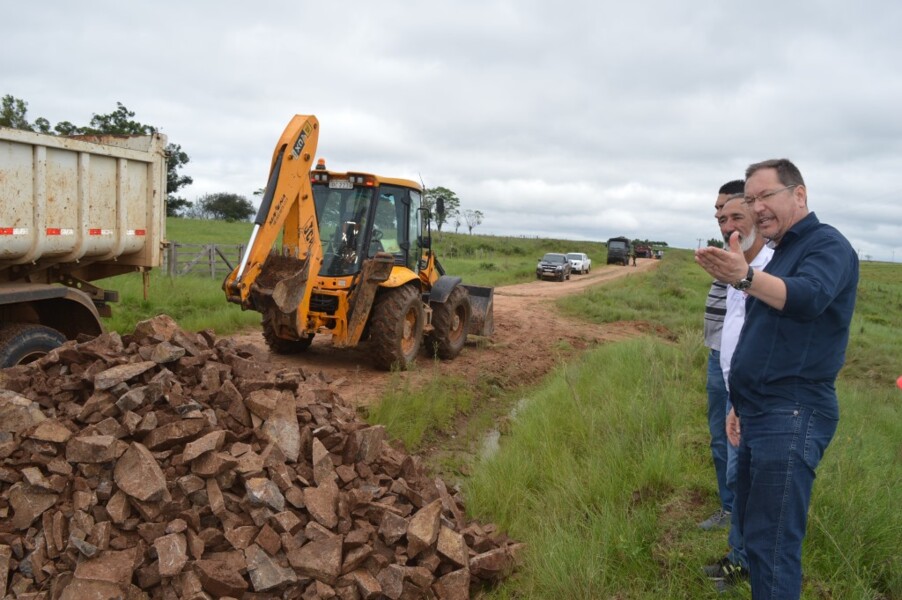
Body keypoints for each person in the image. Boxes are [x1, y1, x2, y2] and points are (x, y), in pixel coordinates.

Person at [695, 159, 859, 599]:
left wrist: (745, 277)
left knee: (773, 544)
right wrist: (739, 403)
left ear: (799, 195)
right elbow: (759, 336)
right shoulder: (780, 251)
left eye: (766, 195)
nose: (757, 207)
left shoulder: (828, 247)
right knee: (753, 530)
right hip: (760, 412)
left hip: (792, 413)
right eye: (751, 199)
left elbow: (809, 298)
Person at [702, 190, 774, 590]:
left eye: (736, 218)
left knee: (747, 480)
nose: (728, 227)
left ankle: (745, 562)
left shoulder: (767, 269)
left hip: (754, 397)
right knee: (740, 477)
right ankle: (739, 557)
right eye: (721, 221)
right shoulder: (738, 267)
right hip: (737, 392)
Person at [699, 180, 745, 532]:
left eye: (725, 209)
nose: (718, 216)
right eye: (717, 211)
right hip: (718, 356)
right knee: (719, 435)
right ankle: (728, 508)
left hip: (742, 364)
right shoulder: (731, 251)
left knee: (739, 441)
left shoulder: (756, 254)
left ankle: (743, 520)